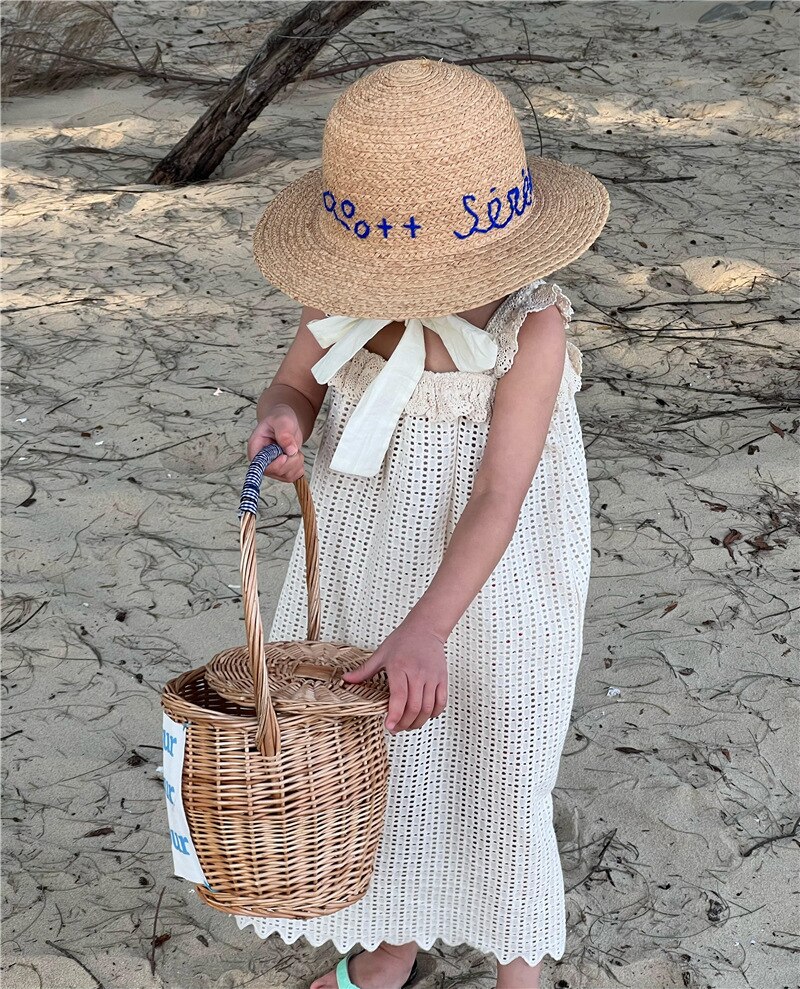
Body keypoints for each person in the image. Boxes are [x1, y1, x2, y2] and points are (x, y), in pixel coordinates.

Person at [235, 57, 610, 989]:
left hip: (494, 569)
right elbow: (296, 382)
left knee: (502, 740)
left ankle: (518, 967)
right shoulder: (343, 290)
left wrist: (431, 627)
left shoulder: (532, 325)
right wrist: (285, 420)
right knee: (380, 738)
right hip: (369, 548)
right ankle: (389, 945)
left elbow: (499, 495)